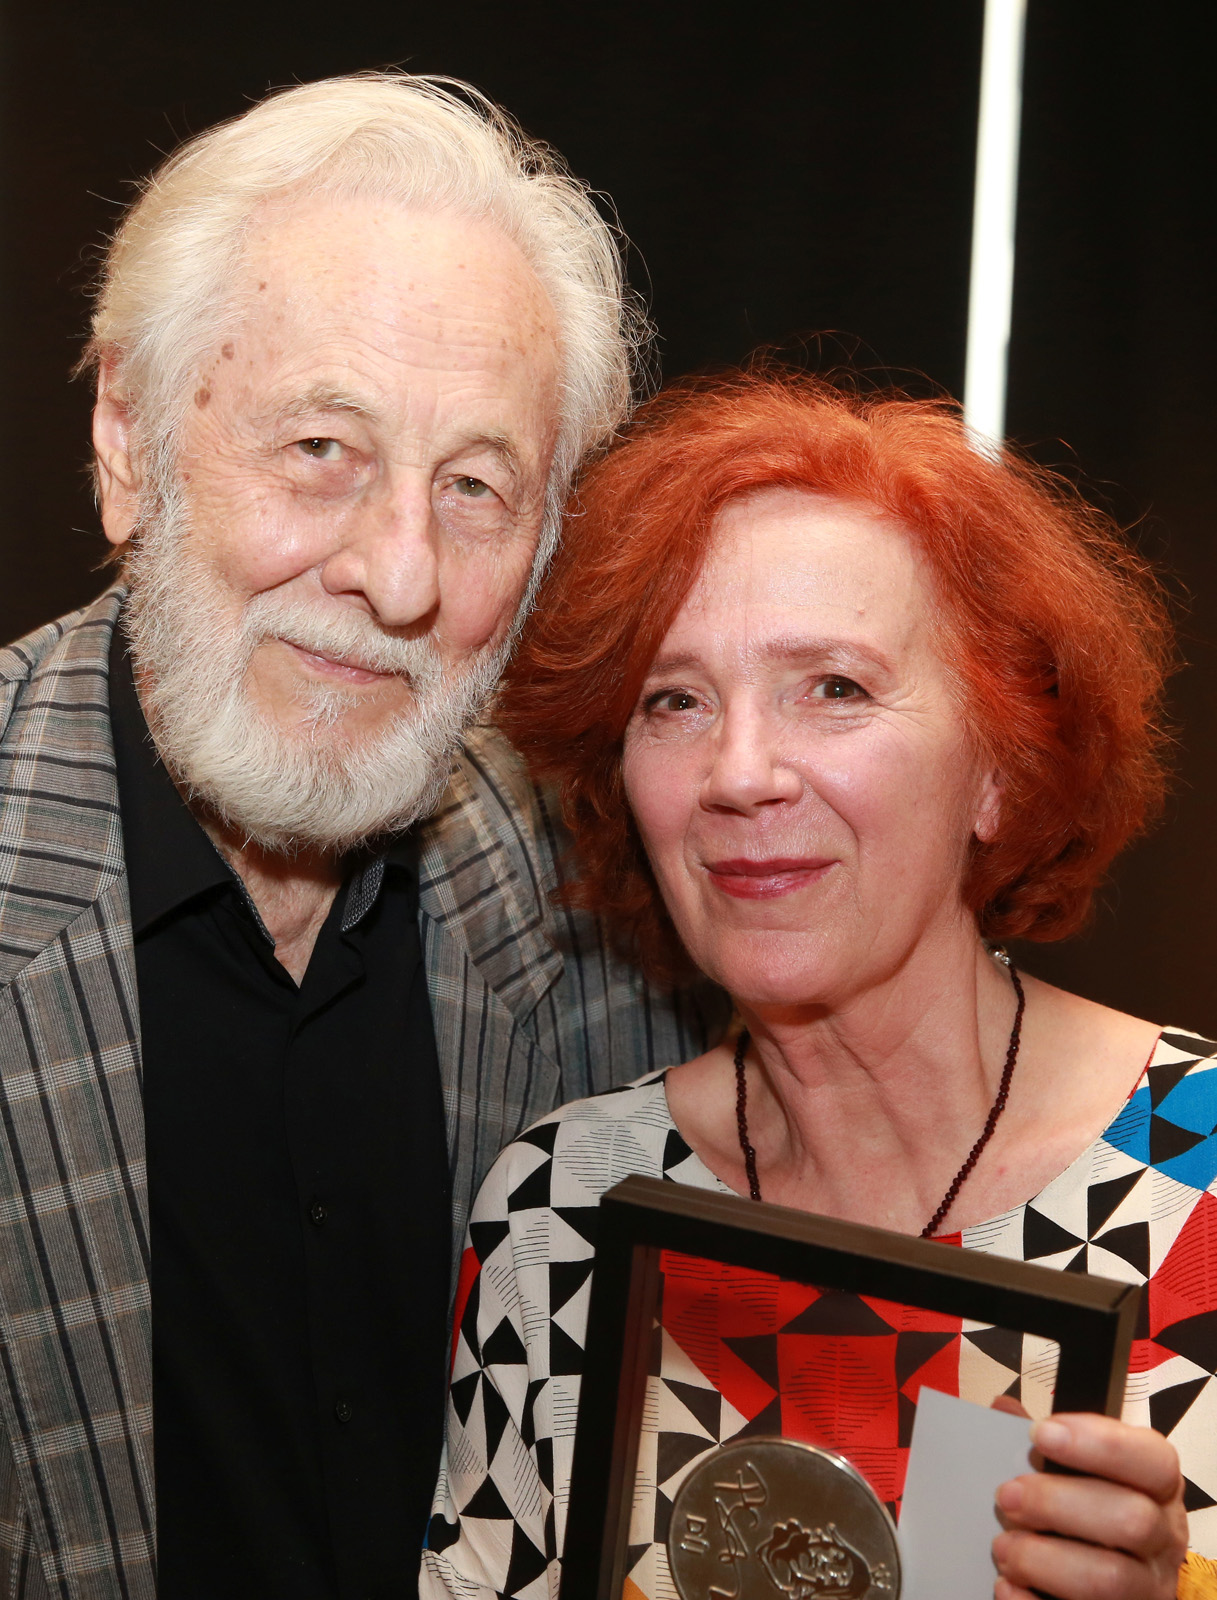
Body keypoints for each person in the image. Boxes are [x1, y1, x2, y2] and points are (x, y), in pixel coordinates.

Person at [0, 75, 724, 1600]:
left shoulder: (611, 908)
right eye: (323, 447)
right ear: (128, 445)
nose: (399, 578)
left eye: (474, 486)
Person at [423, 372, 1217, 1600]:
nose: (738, 772)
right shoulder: (563, 1209)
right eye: (674, 701)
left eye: (833, 687)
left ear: (1000, 769)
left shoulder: (1200, 1175)